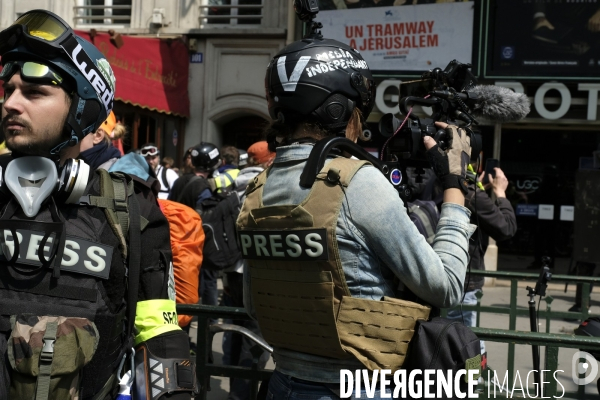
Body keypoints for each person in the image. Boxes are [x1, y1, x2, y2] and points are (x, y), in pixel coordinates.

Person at [236, 30, 474, 399]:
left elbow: (255, 305)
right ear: (338, 109)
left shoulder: (258, 187)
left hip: (282, 384)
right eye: (358, 109)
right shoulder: (356, 183)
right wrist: (454, 184)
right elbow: (444, 286)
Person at [0, 10, 195, 400]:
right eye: (9, 89)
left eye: (35, 92)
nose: (10, 104)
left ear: (83, 108)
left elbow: (159, 330)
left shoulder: (131, 208)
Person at [222, 141, 274, 400]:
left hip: (231, 269)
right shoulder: (268, 185)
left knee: (232, 329)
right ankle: (242, 394)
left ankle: (232, 385)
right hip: (256, 272)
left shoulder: (232, 184)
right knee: (253, 335)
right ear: (268, 160)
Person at [446, 166, 517, 355]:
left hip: (436, 275)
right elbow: (506, 228)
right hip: (464, 280)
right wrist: (500, 192)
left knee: (442, 336)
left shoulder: (437, 182)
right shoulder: (468, 192)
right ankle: (474, 380)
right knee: (469, 341)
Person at [171, 142, 222, 311]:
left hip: (172, 242)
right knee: (197, 290)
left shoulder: (179, 181)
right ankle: (204, 328)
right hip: (193, 247)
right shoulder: (203, 187)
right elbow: (206, 221)